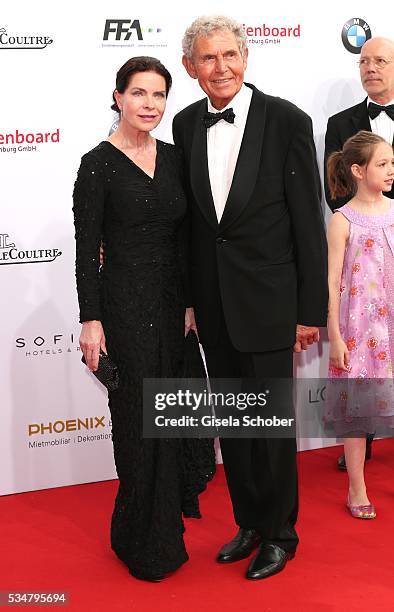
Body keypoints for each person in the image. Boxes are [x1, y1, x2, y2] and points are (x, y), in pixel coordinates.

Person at [173, 16, 328, 580]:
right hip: (214, 304)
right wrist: (190, 299)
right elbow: (194, 226)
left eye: (229, 56)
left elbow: (307, 223)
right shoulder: (186, 124)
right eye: (208, 59)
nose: (221, 68)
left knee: (270, 428)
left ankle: (281, 535)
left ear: (246, 57)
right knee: (235, 426)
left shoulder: (287, 119)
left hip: (270, 303)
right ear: (191, 68)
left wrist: (310, 311)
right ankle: (250, 522)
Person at [72, 56, 215, 582]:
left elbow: (185, 241)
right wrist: (92, 321)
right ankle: (138, 538)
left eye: (158, 95)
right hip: (124, 310)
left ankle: (165, 532)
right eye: (138, 94)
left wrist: (191, 305)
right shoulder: (97, 164)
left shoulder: (176, 159)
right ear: (117, 97)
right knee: (138, 424)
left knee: (173, 419)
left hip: (173, 309)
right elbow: (88, 251)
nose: (149, 105)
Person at [324, 36, 394, 469]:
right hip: (362, 254)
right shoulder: (340, 121)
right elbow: (335, 192)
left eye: (381, 60)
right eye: (364, 61)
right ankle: (359, 447)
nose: (371, 68)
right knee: (362, 353)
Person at [326, 131, 394, 519]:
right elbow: (332, 283)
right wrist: (334, 334)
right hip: (360, 330)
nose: (390, 171)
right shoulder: (342, 220)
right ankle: (357, 487)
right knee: (357, 410)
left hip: (393, 323)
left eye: (392, 163)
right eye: (382, 164)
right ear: (357, 169)